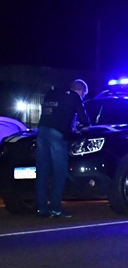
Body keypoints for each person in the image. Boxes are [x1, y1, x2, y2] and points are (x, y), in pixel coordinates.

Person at [35, 79, 90, 217]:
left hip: (42, 131)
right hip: (57, 134)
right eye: (83, 95)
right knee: (59, 172)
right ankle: (55, 208)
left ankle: (41, 208)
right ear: (81, 91)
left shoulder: (53, 94)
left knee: (42, 171)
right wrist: (81, 127)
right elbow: (85, 120)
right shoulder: (74, 96)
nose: (82, 98)